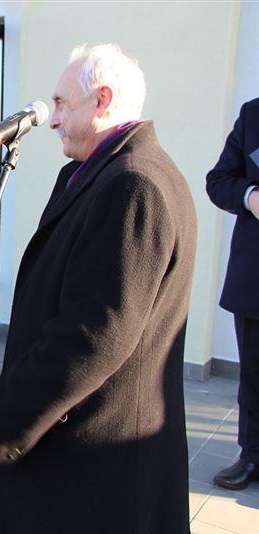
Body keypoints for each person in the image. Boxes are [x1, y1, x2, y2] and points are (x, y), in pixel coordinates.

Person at [0, 44, 197, 533]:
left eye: (62, 103)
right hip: (79, 443)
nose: (54, 119)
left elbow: (93, 335)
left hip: (95, 461)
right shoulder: (105, 175)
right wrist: (14, 382)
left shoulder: (134, 185)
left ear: (101, 101)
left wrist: (0, 422)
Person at [206, 97, 259, 490]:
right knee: (254, 375)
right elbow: (218, 180)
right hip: (255, 277)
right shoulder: (253, 115)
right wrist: (251, 196)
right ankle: (252, 455)